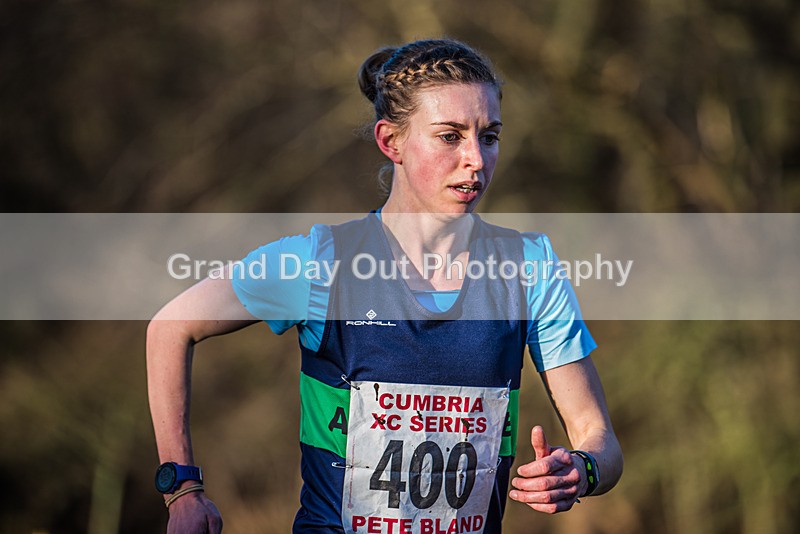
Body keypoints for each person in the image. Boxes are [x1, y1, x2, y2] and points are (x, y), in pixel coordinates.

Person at [147, 38, 622, 533]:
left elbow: (599, 439)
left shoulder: (527, 266)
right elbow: (169, 329)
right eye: (449, 136)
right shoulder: (319, 262)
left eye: (489, 136)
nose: (477, 160)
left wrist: (580, 472)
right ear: (390, 141)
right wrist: (182, 488)